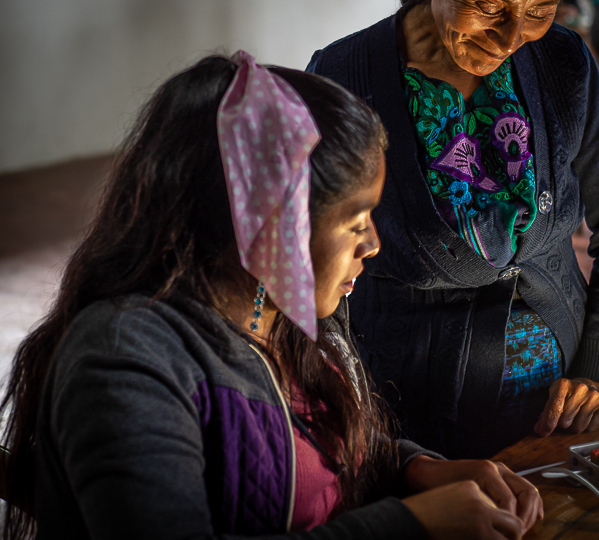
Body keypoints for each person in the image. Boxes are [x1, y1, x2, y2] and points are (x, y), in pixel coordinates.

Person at [0, 53, 545, 540]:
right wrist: (411, 525)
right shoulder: (124, 360)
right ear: (271, 223)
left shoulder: (281, 319)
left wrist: (413, 468)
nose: (373, 245)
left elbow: (322, 457)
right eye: (355, 222)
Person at [308, 0, 599, 459]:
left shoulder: (562, 62)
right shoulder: (343, 76)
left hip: (559, 420)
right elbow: (313, 263)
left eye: (539, 12)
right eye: (489, 6)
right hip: (408, 419)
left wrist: (596, 370)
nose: (513, 37)